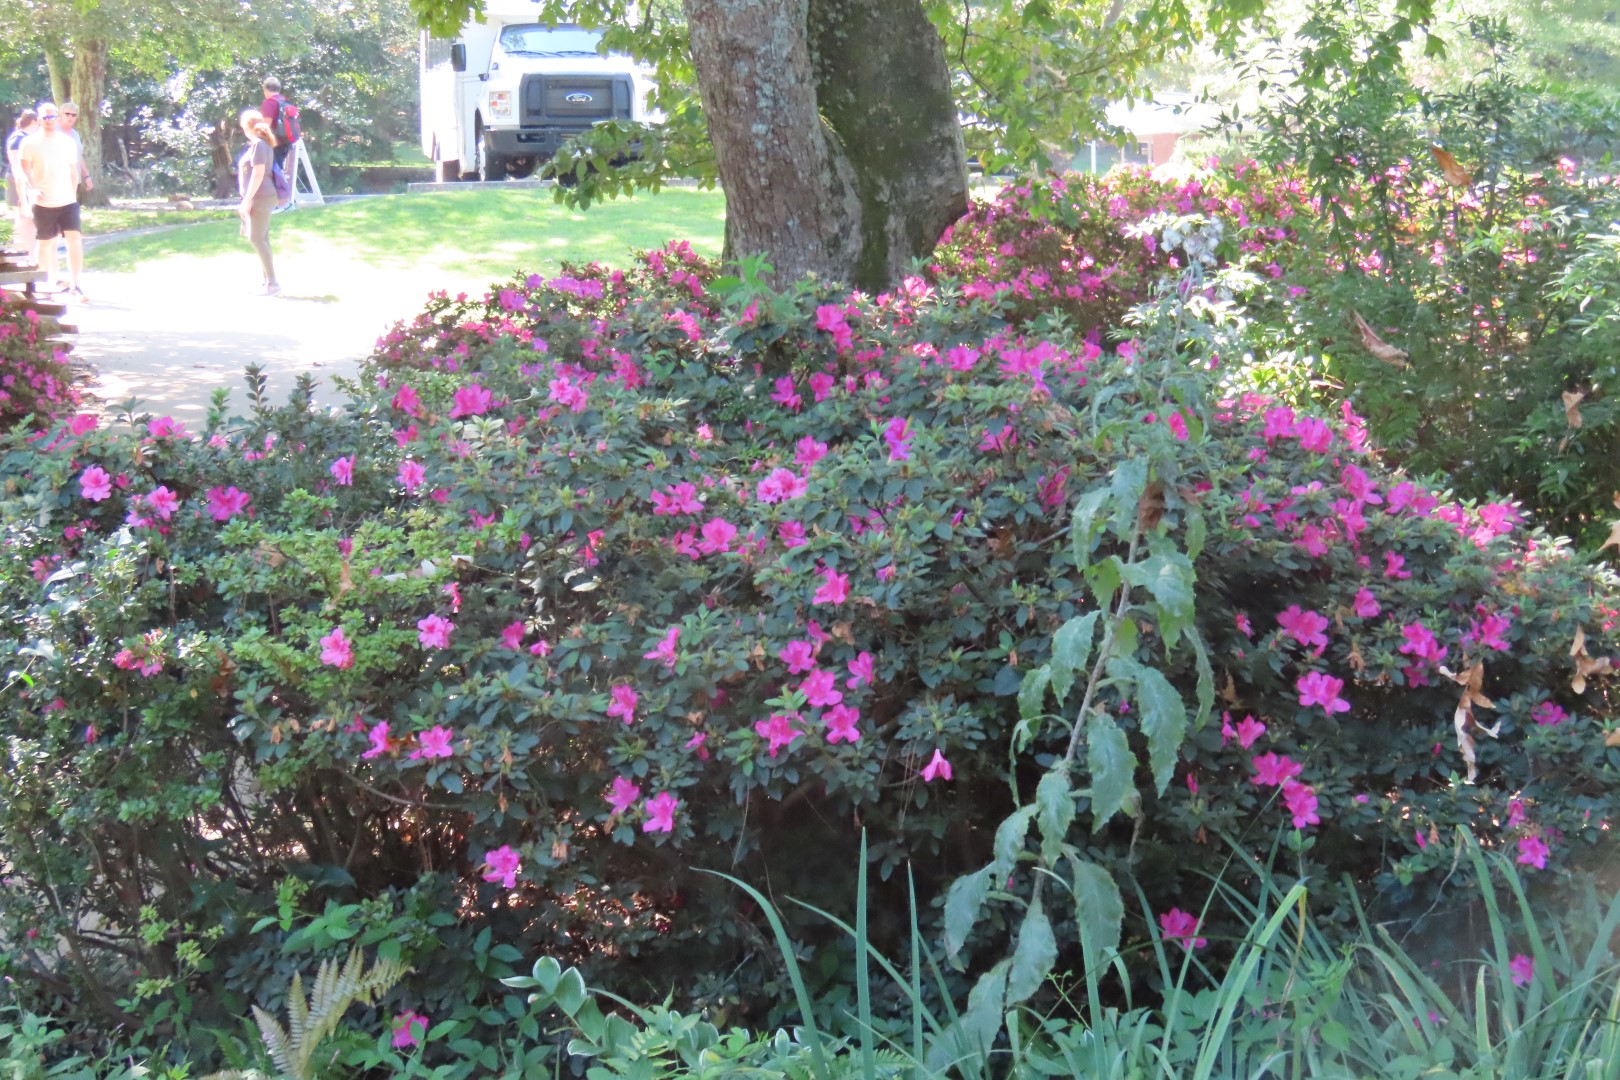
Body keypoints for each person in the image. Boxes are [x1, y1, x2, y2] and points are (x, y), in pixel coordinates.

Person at [17, 103, 87, 302]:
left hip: (67, 201)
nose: (49, 121)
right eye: (45, 118)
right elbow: (24, 171)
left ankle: (75, 285)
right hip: (43, 203)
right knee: (46, 243)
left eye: (52, 117)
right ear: (39, 120)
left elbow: (73, 172)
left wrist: (72, 195)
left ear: (57, 118)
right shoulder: (29, 143)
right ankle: (43, 285)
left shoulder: (68, 142)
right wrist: (33, 190)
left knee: (74, 240)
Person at [236, 109, 280, 296]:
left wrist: (247, 200)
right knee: (261, 238)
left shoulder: (260, 145)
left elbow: (258, 173)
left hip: (261, 196)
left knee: (255, 238)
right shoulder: (256, 145)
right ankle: (267, 281)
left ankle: (272, 283)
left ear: (248, 126)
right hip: (259, 196)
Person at [5, 110, 38, 255]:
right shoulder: (18, 138)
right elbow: (16, 165)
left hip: (24, 181)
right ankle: (21, 252)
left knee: (28, 219)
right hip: (18, 181)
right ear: (34, 121)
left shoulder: (23, 137)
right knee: (23, 217)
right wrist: (23, 186)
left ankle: (28, 252)